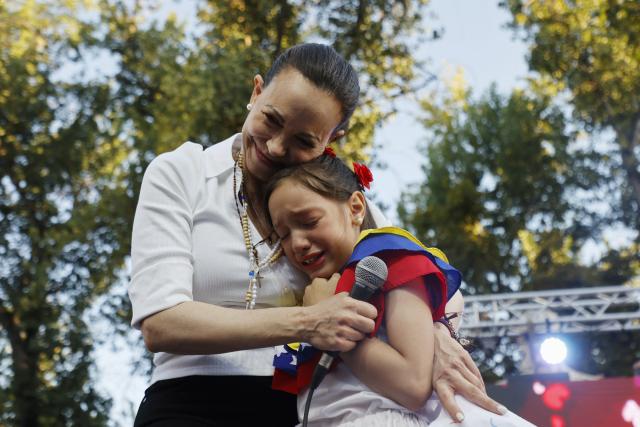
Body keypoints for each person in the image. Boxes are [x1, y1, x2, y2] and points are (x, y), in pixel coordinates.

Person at [129, 42, 502, 426]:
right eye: (271, 119)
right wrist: (310, 321)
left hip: (304, 409)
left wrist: (436, 334)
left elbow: (427, 280)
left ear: (331, 141)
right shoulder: (182, 172)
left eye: (303, 140)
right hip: (187, 404)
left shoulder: (342, 204)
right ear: (256, 92)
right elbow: (161, 323)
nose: (275, 146)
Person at [265, 154, 536, 426]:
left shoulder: (390, 258)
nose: (297, 242)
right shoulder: (309, 292)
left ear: (356, 208)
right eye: (283, 235)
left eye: (309, 221)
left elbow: (413, 384)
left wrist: (328, 322)